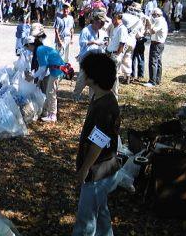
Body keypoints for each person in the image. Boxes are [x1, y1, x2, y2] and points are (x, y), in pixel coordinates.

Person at [72, 53, 120, 236]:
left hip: (97, 171)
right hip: (102, 169)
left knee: (86, 220)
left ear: (93, 78)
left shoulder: (105, 107)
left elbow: (98, 144)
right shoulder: (100, 99)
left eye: (84, 72)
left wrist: (84, 169)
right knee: (101, 212)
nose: (81, 75)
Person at [24, 37, 65, 123]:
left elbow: (42, 68)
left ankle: (52, 115)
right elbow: (45, 67)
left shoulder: (39, 51)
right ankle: (46, 112)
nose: (28, 50)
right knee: (49, 92)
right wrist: (39, 80)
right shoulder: (41, 49)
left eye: (27, 47)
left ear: (30, 45)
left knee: (51, 93)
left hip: (57, 71)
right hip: (55, 70)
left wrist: (32, 77)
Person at [73, 13, 107, 101]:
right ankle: (75, 96)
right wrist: (93, 42)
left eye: (103, 23)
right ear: (95, 21)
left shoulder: (102, 31)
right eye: (101, 23)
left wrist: (106, 43)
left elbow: (105, 41)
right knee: (82, 78)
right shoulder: (86, 30)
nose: (102, 25)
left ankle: (92, 98)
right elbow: (82, 43)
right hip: (86, 58)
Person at [143, 8, 168, 87]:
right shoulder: (159, 20)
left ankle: (152, 81)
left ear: (157, 15)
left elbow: (153, 30)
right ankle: (157, 79)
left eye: (154, 15)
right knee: (158, 62)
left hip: (157, 44)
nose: (153, 16)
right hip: (158, 43)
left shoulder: (160, 21)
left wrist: (149, 23)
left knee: (153, 62)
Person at [106, 13, 128, 99]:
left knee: (114, 76)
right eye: (112, 19)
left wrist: (117, 54)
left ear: (119, 19)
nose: (113, 21)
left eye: (114, 19)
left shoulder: (122, 29)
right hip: (110, 53)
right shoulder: (115, 28)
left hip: (115, 55)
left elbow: (122, 43)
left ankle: (114, 96)